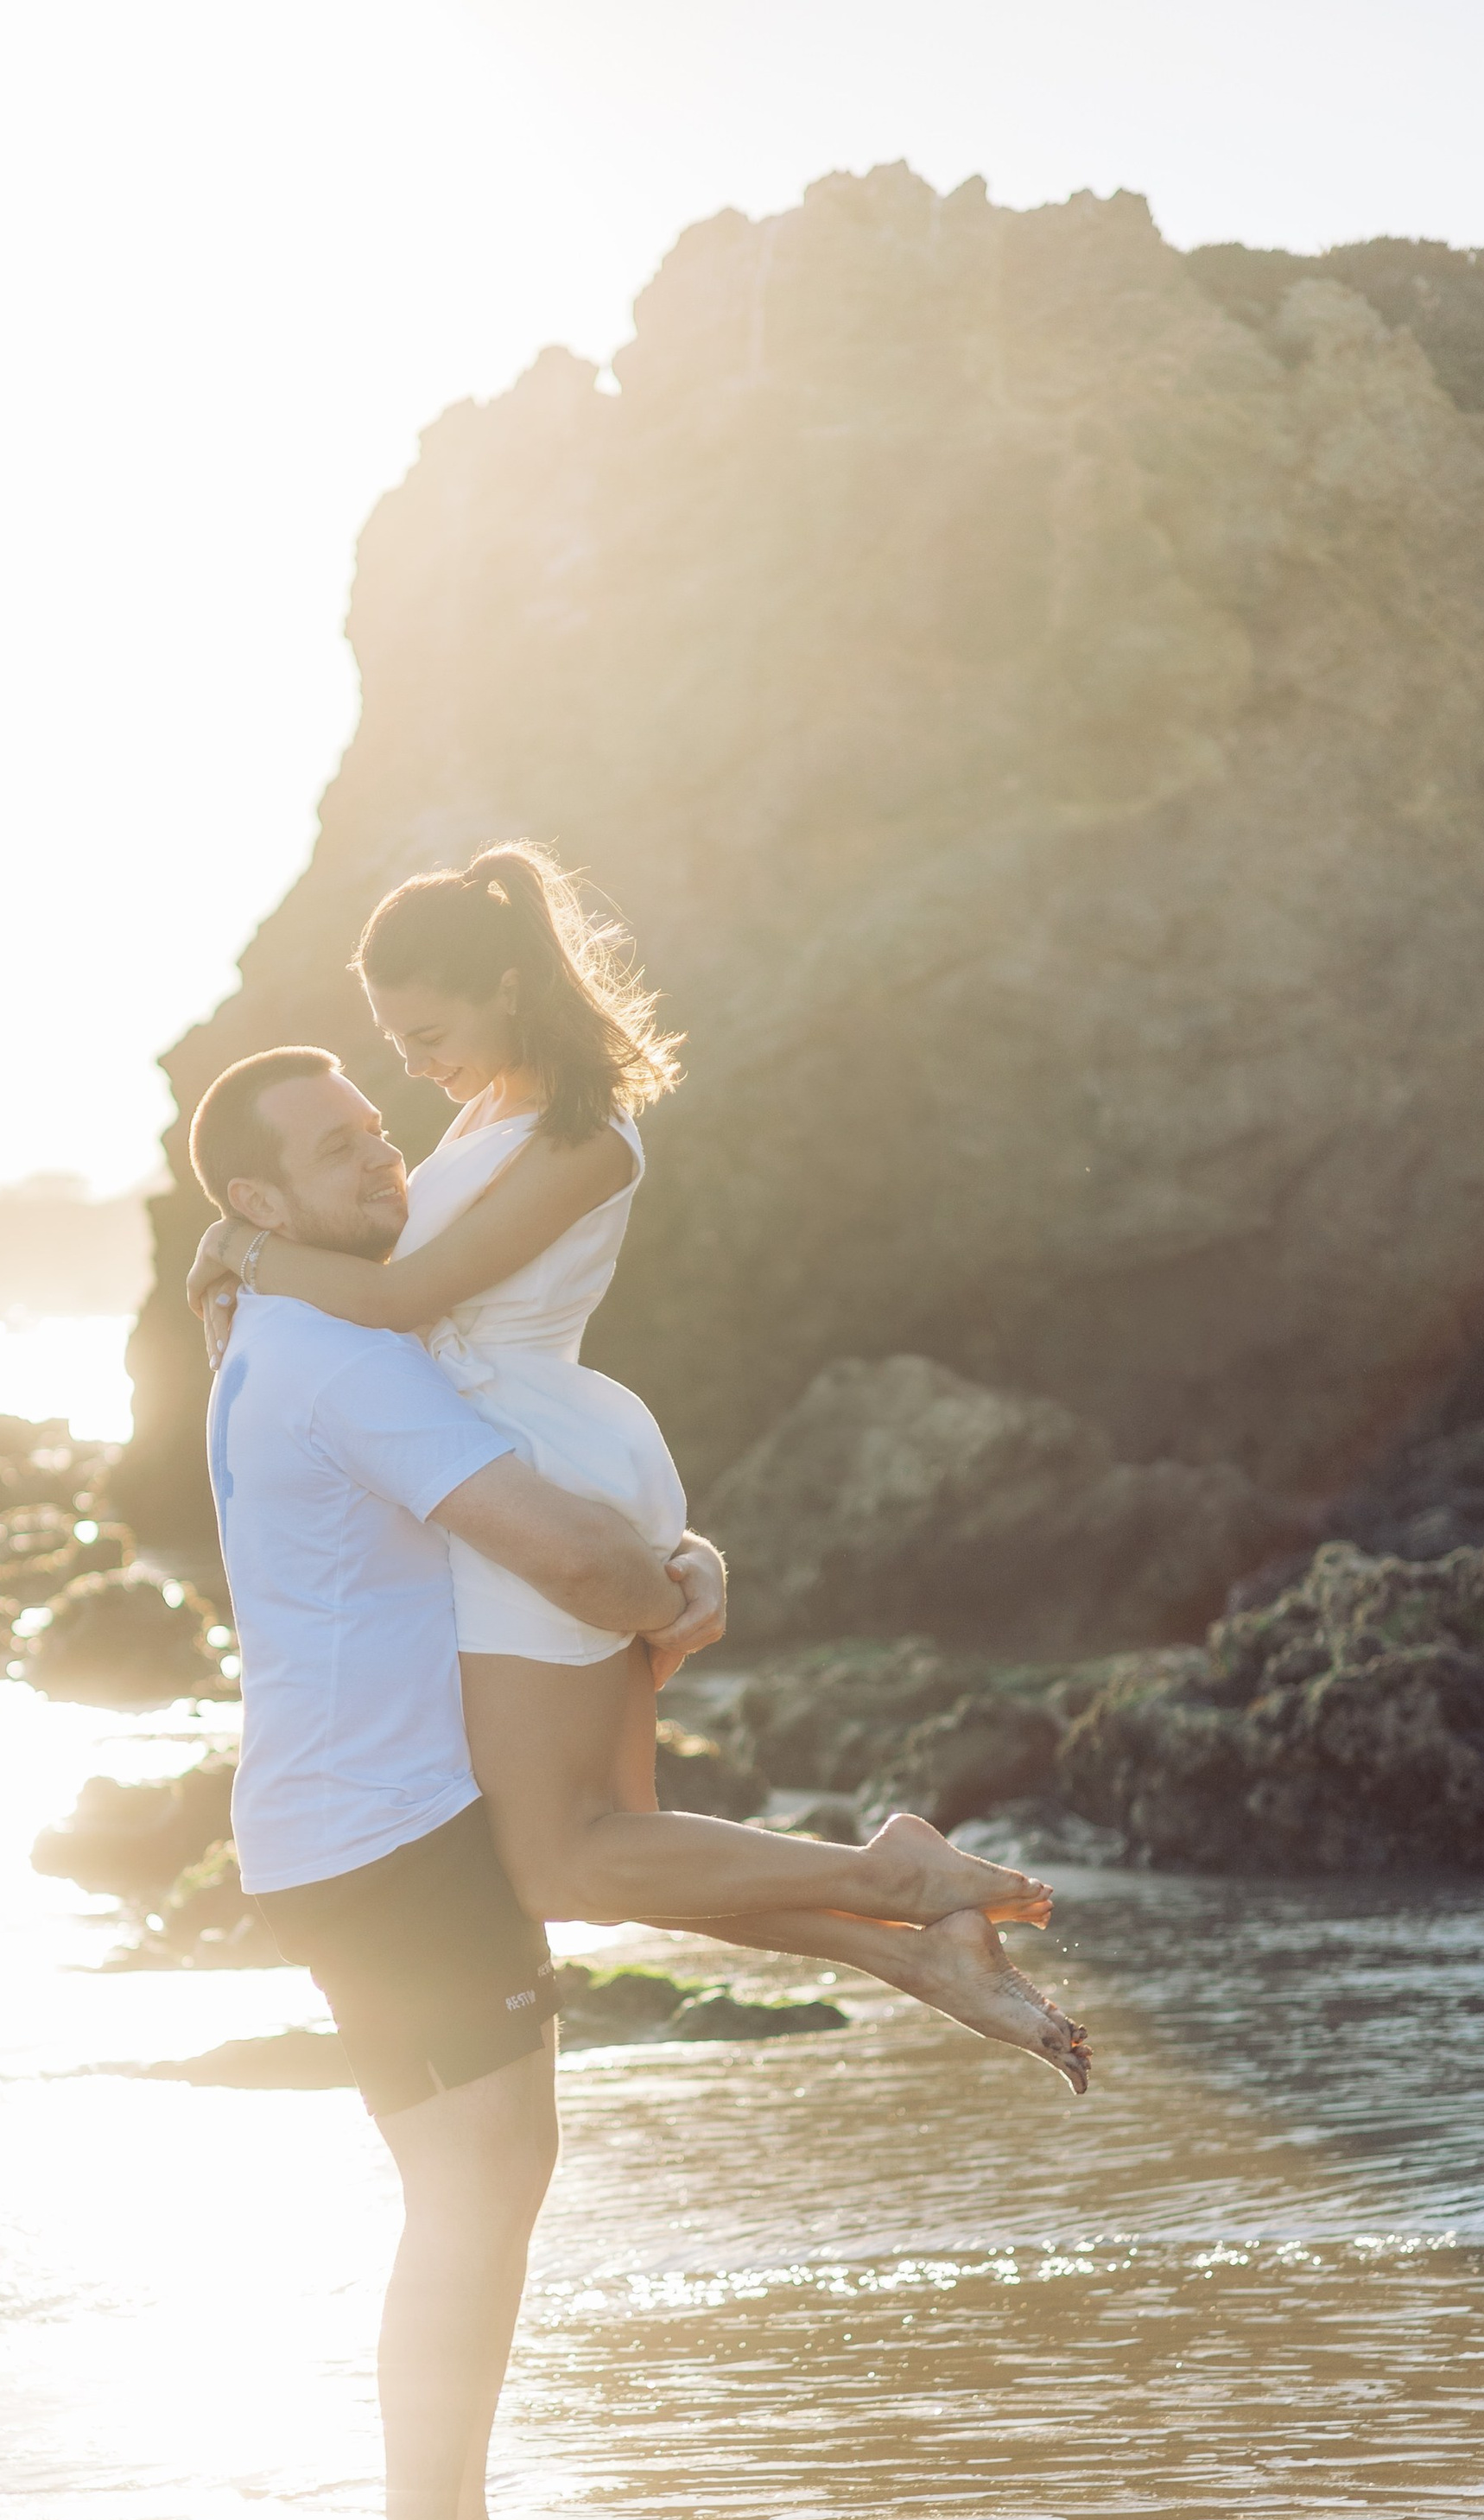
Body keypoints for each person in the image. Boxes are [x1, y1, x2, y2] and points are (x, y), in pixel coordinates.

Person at [187, 849, 1092, 2096]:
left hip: (524, 1464)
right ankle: (918, 1948)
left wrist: (240, 1246)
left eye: (429, 1028)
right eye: (395, 1038)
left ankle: (898, 1878)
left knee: (563, 1863)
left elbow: (399, 1297)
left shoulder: (583, 1135)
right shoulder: (488, 1108)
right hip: (515, 1455)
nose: (413, 1062)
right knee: (616, 1842)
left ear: (506, 986)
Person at [196, 1044, 727, 2520]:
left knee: (484, 2186)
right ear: (258, 1202)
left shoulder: (296, 1330)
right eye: (332, 1148)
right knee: (473, 2193)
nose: (379, 1159)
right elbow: (554, 1545)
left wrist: (658, 1565)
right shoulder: (346, 1362)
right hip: (386, 1831)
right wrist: (677, 1589)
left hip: (349, 1822)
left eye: (378, 1130)